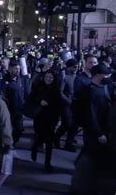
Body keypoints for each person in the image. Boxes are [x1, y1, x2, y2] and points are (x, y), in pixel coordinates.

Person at [71, 64, 115, 194]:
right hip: (95, 131)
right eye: (105, 74)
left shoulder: (103, 88)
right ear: (97, 76)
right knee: (91, 153)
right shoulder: (89, 91)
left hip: (103, 129)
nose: (107, 76)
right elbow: (91, 115)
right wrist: (99, 133)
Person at [29, 70, 61, 172]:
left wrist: (57, 119)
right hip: (39, 117)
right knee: (39, 136)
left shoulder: (56, 89)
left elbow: (58, 105)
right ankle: (34, 147)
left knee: (49, 142)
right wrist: (40, 101)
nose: (48, 79)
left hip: (51, 118)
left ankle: (47, 163)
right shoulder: (39, 87)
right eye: (47, 77)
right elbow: (31, 99)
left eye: (50, 77)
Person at [2, 59, 30, 143]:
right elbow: (3, 95)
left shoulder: (21, 79)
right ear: (10, 69)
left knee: (19, 129)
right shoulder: (4, 80)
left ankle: (12, 142)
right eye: (15, 69)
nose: (18, 71)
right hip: (9, 109)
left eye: (18, 69)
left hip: (19, 109)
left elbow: (26, 92)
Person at [54, 58, 78, 152]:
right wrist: (69, 101)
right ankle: (57, 138)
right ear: (69, 67)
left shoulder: (74, 74)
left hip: (72, 102)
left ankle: (60, 139)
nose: (76, 68)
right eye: (74, 67)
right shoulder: (63, 75)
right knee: (68, 123)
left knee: (70, 124)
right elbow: (60, 92)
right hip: (64, 103)